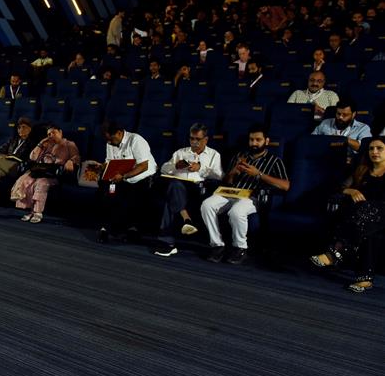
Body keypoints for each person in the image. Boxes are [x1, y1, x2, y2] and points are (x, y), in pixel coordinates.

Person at [200, 124, 289, 265]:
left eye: (258, 140)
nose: (254, 143)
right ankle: (217, 245)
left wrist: (258, 174)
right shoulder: (239, 156)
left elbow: (285, 185)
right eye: (251, 140)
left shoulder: (274, 160)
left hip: (252, 196)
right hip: (231, 192)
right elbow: (227, 181)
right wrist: (233, 172)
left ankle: (240, 248)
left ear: (266, 141)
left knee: (236, 211)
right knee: (207, 205)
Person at [310, 137, 385, 293]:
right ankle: (365, 279)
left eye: (379, 148)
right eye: (371, 148)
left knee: (368, 209)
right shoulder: (362, 170)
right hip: (363, 219)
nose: (374, 152)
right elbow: (339, 187)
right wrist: (350, 190)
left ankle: (336, 253)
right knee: (370, 231)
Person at [153, 123, 223, 257]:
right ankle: (186, 219)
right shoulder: (181, 152)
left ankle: (167, 242)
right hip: (178, 186)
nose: (194, 142)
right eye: (192, 139)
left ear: (206, 140)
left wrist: (201, 168)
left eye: (198, 139)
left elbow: (219, 175)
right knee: (174, 186)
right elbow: (163, 168)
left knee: (172, 194)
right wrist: (175, 166)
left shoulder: (214, 155)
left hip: (199, 189)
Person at [96, 121, 157, 243]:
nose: (109, 143)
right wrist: (102, 167)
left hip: (142, 176)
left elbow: (144, 166)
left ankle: (132, 229)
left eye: (110, 139)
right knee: (106, 190)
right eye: (107, 140)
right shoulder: (110, 142)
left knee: (130, 194)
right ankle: (106, 227)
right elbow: (109, 161)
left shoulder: (136, 140)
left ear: (119, 133)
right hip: (121, 175)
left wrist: (124, 176)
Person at [10, 124, 80, 223]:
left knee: (41, 183)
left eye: (53, 133)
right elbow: (32, 157)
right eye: (48, 134)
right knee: (27, 180)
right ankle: (31, 210)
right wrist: (40, 143)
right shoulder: (47, 144)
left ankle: (37, 212)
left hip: (54, 173)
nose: (51, 135)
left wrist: (70, 161)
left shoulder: (69, 144)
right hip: (40, 171)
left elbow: (76, 157)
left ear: (60, 132)